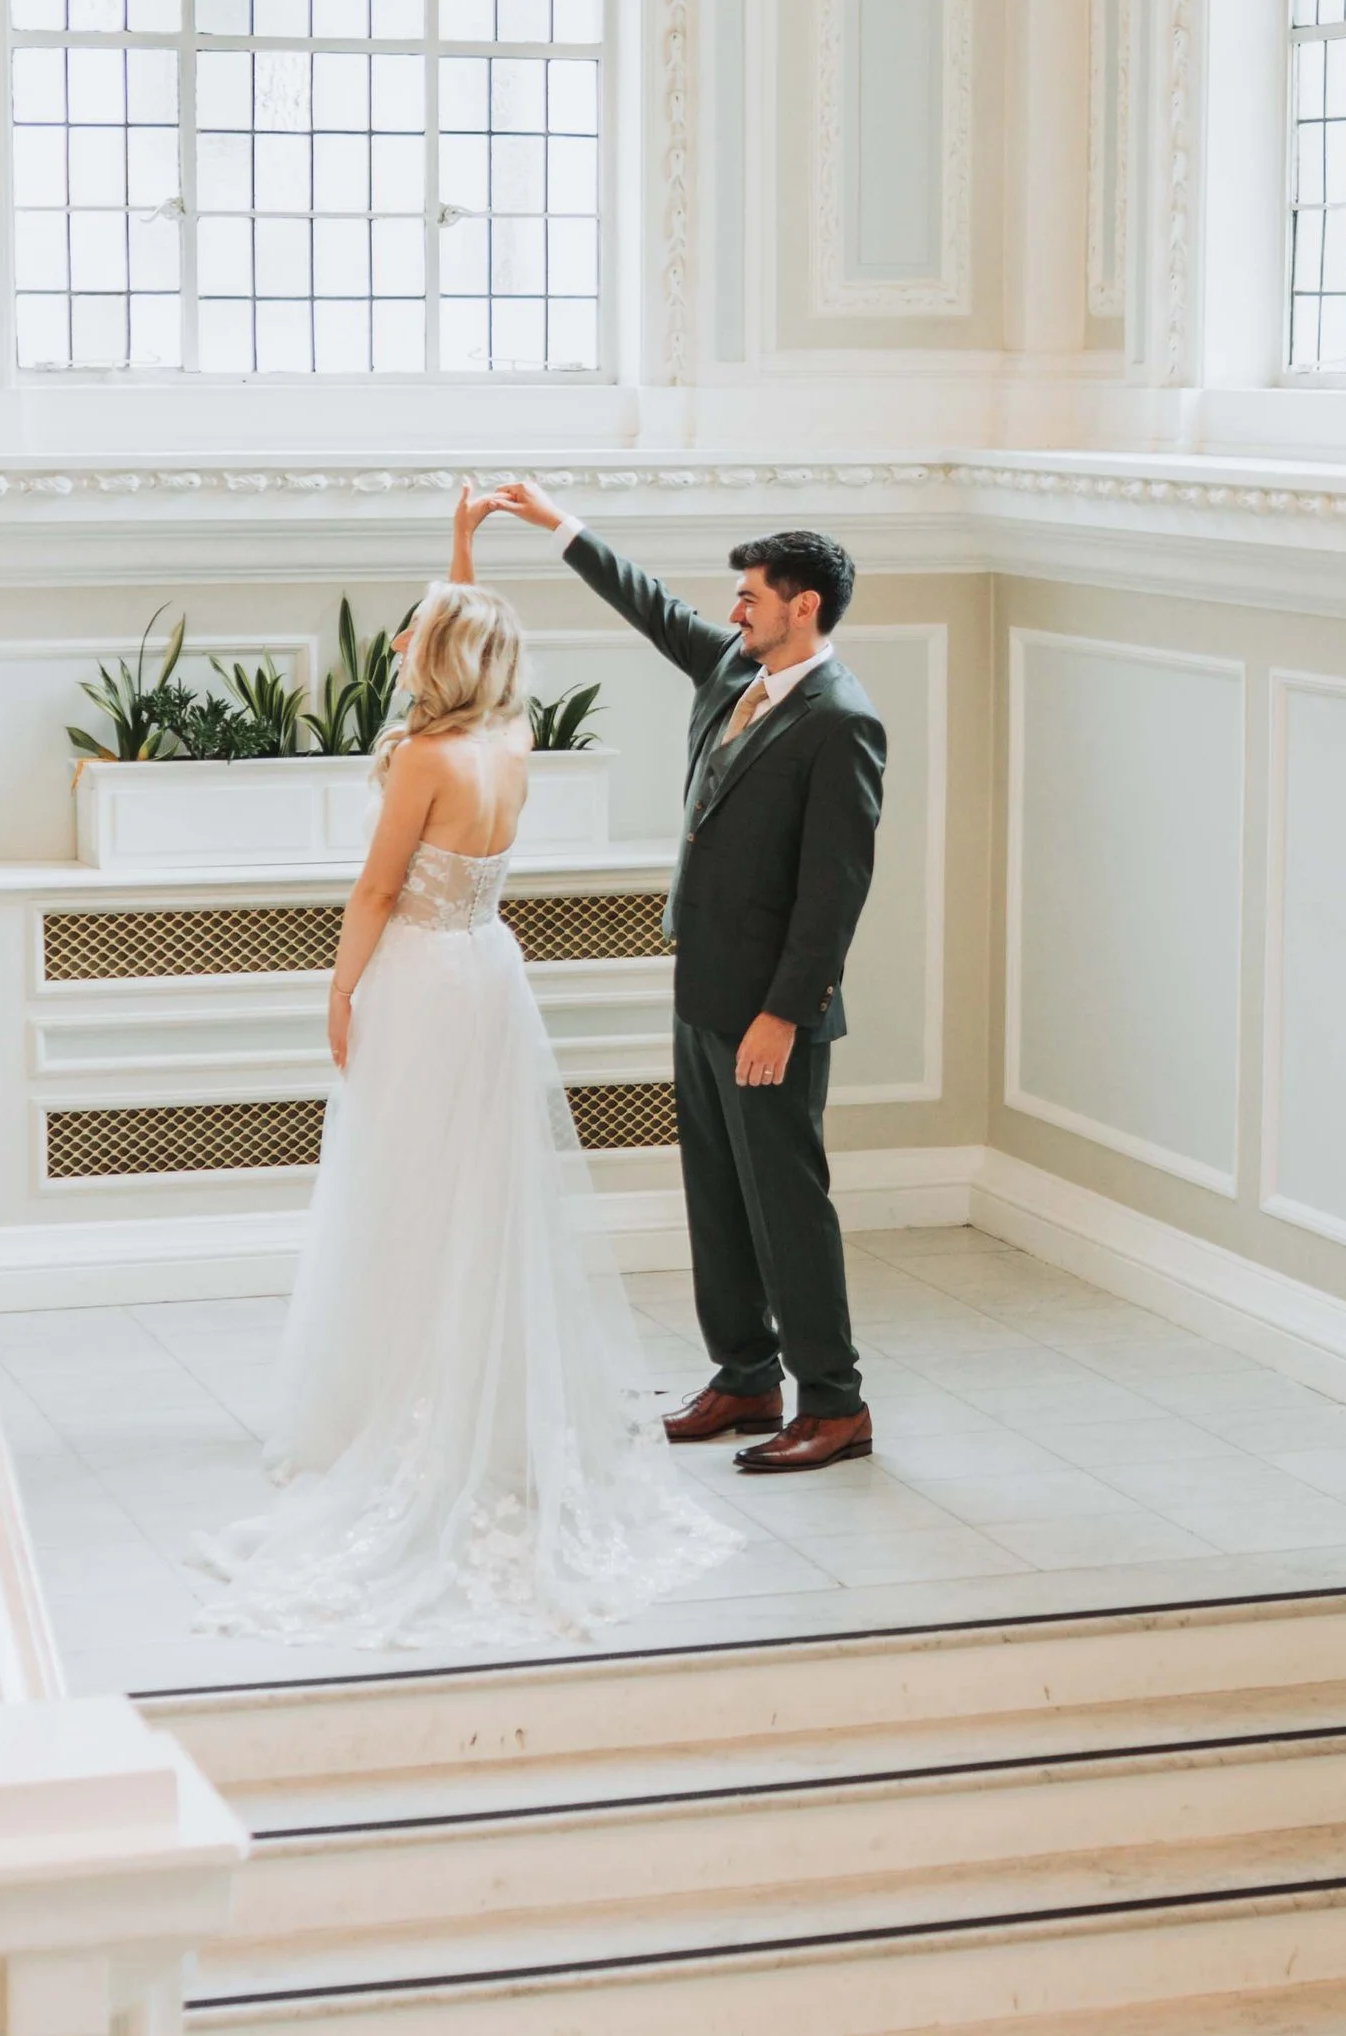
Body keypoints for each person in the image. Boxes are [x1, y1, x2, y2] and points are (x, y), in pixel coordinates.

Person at [191, 486, 735, 1649]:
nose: (398, 643)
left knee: (408, 1192)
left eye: (414, 635)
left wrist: (338, 989)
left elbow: (378, 890)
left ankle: (408, 1404)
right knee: (483, 1197)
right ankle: (483, 1399)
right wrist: (464, 544)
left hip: (423, 980)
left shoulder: (425, 759)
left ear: (430, 656)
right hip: (492, 971)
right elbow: (463, 623)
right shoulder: (510, 740)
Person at [473, 487, 885, 1476]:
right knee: (715, 1192)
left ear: (806, 607)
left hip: (767, 1013)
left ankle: (834, 1404)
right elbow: (652, 606)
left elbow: (833, 895)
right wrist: (558, 527)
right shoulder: (736, 670)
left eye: (751, 595)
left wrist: (785, 1015)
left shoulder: (841, 723)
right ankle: (746, 1376)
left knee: (786, 1204)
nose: (734, 609)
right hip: (701, 987)